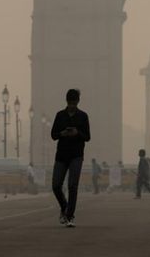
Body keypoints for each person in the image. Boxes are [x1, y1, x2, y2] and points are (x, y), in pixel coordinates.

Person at [51, 88, 91, 227]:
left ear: (78, 102)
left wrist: (77, 133)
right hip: (61, 155)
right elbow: (53, 135)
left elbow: (87, 137)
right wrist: (62, 133)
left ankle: (70, 216)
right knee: (56, 185)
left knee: (72, 186)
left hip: (76, 155)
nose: (72, 106)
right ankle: (65, 207)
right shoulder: (60, 115)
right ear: (66, 102)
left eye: (73, 103)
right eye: (70, 103)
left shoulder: (83, 116)